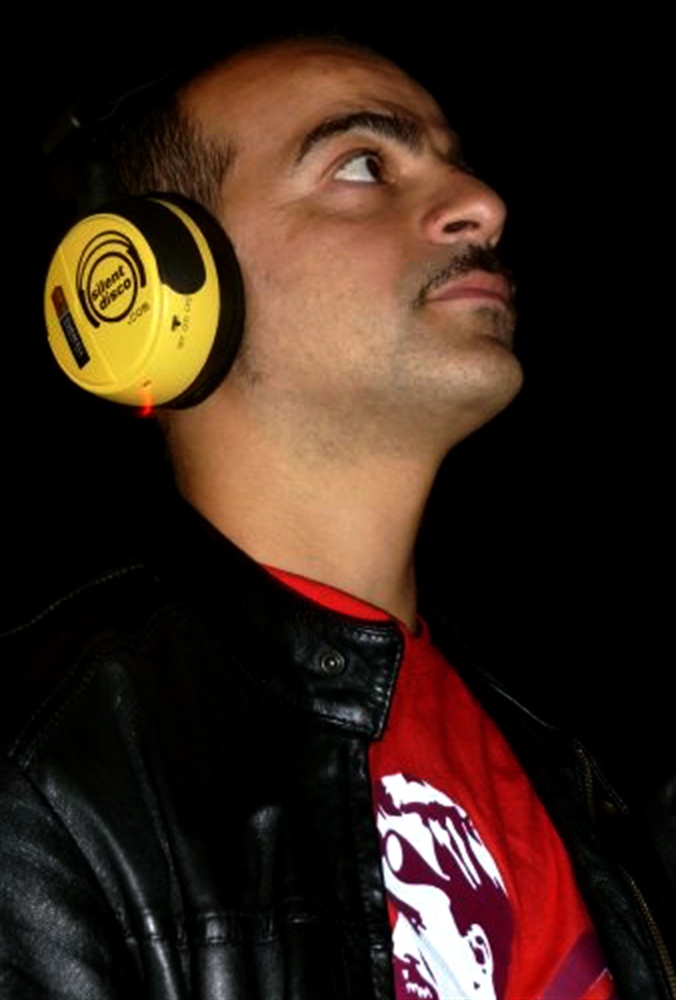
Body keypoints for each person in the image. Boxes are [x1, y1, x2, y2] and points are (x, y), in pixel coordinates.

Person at [1, 36, 673, 1000]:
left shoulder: (580, 751)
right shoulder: (52, 771)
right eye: (361, 165)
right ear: (151, 295)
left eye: (456, 162)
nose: (482, 203)